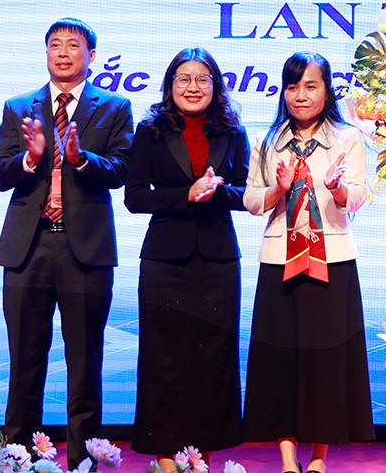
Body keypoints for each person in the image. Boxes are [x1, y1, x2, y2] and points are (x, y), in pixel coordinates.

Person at [0, 18, 133, 464]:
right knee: (24, 363)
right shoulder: (18, 107)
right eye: (55, 45)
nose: (64, 52)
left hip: (83, 250)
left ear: (92, 55)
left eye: (73, 45)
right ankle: (19, 462)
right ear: (46, 52)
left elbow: (123, 170)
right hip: (28, 249)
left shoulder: (114, 107)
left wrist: (81, 159)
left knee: (84, 364)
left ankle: (83, 462)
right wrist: (29, 159)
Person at [242, 52, 374, 473]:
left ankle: (317, 459)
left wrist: (337, 189)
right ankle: (287, 458)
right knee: (281, 359)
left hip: (331, 260)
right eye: (293, 86)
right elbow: (251, 200)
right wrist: (277, 190)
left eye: (311, 86)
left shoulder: (348, 138)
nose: (301, 95)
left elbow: (358, 196)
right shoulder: (266, 140)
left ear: (327, 91)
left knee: (326, 362)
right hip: (278, 260)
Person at [125, 48, 250, 469]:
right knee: (164, 361)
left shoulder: (232, 130)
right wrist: (186, 195)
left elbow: (245, 193)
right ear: (170, 84)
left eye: (202, 79)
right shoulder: (150, 130)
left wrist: (218, 191)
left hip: (217, 263)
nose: (192, 87)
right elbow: (135, 197)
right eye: (184, 78)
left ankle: (200, 461)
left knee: (212, 362)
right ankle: (165, 462)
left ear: (215, 86)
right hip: (165, 262)